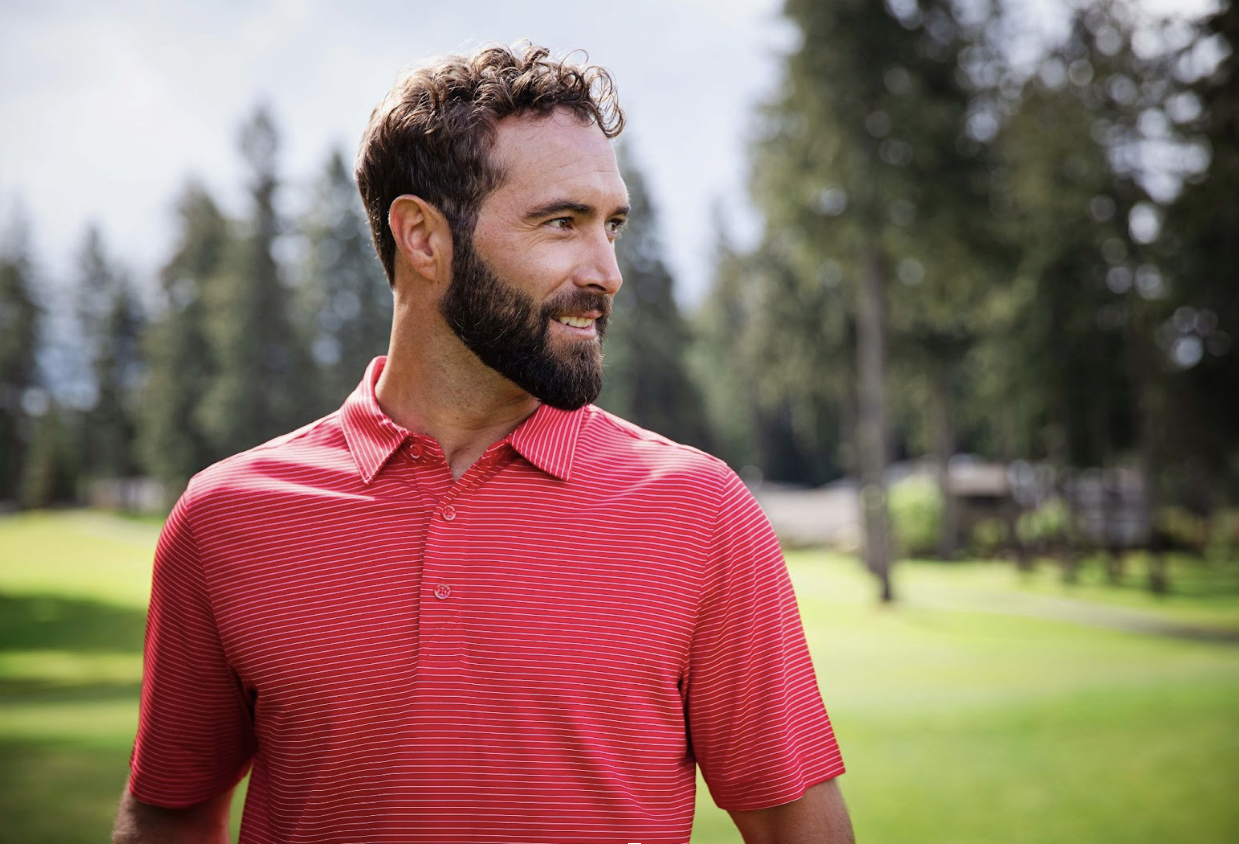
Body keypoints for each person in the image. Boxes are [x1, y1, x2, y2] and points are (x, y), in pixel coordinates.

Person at [113, 42, 854, 844]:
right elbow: (169, 814)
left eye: (612, 226)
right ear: (423, 238)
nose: (606, 270)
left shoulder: (701, 513)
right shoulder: (226, 521)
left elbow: (797, 830)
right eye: (561, 222)